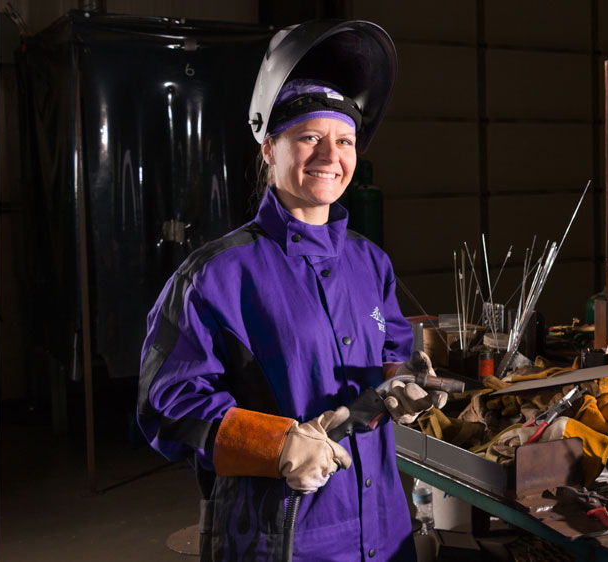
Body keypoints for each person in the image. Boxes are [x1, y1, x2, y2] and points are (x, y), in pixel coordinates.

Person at [137, 20, 441, 562]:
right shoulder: (216, 275)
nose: (330, 156)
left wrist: (405, 383)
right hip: (284, 541)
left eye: (343, 140)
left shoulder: (370, 263)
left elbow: (393, 353)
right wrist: (273, 446)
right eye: (309, 137)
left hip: (386, 534)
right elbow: (167, 407)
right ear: (268, 148)